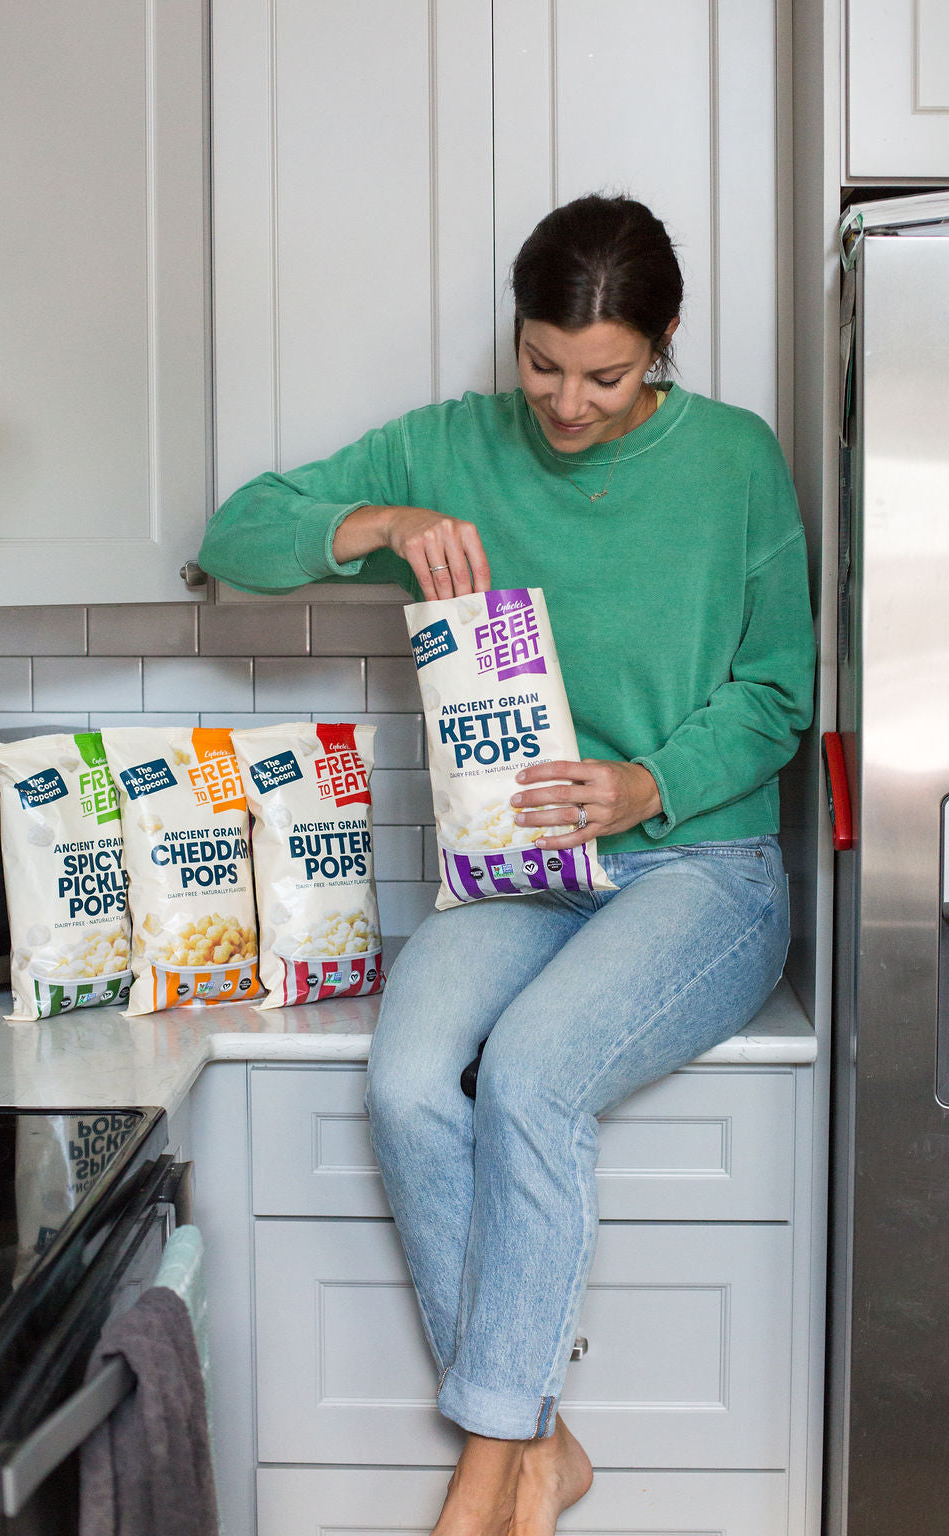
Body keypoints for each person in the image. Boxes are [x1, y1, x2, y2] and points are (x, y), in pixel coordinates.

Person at [199, 193, 815, 1536]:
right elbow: (236, 535)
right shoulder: (456, 445)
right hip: (520, 875)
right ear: (517, 337)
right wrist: (378, 522)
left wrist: (648, 780)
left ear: (663, 347)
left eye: (606, 372)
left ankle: (488, 1480)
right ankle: (541, 1445)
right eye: (543, 363)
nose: (569, 403)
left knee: (531, 1073)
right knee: (410, 1077)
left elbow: (779, 694)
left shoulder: (733, 461)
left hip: (698, 869)